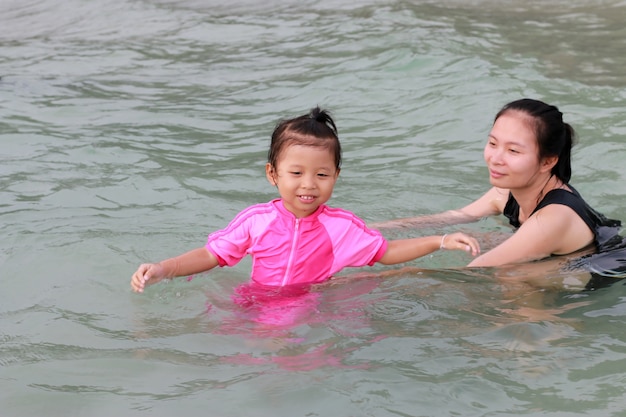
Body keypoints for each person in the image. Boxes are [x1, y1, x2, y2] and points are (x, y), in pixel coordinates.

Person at [130, 107, 480, 293]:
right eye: (296, 174)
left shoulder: (340, 225)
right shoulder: (257, 220)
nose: (308, 185)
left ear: (336, 176)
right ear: (273, 174)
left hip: (312, 303)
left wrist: (441, 240)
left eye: (322, 175)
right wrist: (165, 269)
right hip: (255, 301)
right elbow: (211, 254)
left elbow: (384, 252)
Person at [374, 98, 622, 272]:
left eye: (513, 150)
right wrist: (366, 230)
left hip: (600, 276)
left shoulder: (551, 219)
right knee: (472, 238)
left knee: (515, 277)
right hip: (564, 255)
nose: (496, 158)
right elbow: (455, 216)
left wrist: (391, 278)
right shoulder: (509, 190)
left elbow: (475, 271)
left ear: (547, 161)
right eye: (493, 144)